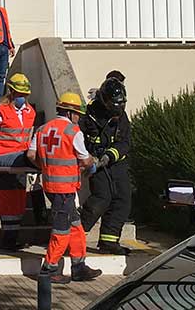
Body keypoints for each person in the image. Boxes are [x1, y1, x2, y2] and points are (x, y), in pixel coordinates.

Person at [28, 92, 101, 285]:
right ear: (69, 113)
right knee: (61, 231)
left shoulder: (42, 129)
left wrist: (46, 167)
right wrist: (91, 164)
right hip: (64, 188)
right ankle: (49, 269)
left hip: (51, 186)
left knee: (76, 225)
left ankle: (79, 267)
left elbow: (31, 155)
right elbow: (85, 159)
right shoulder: (73, 131)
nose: (78, 117)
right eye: (77, 113)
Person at [0, 73, 36, 251]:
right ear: (11, 91)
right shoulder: (0, 109)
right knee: (6, 199)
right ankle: (8, 238)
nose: (22, 98)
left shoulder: (30, 112)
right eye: (19, 94)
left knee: (18, 199)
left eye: (25, 95)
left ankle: (12, 238)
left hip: (21, 162)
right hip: (3, 161)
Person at [79, 70, 132, 255]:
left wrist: (109, 155)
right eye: (113, 104)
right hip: (96, 164)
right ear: (104, 100)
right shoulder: (89, 115)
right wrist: (87, 157)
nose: (117, 109)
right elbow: (78, 137)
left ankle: (109, 241)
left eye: (120, 104)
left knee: (123, 200)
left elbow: (125, 142)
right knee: (101, 199)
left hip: (116, 164)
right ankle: (74, 237)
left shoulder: (121, 116)